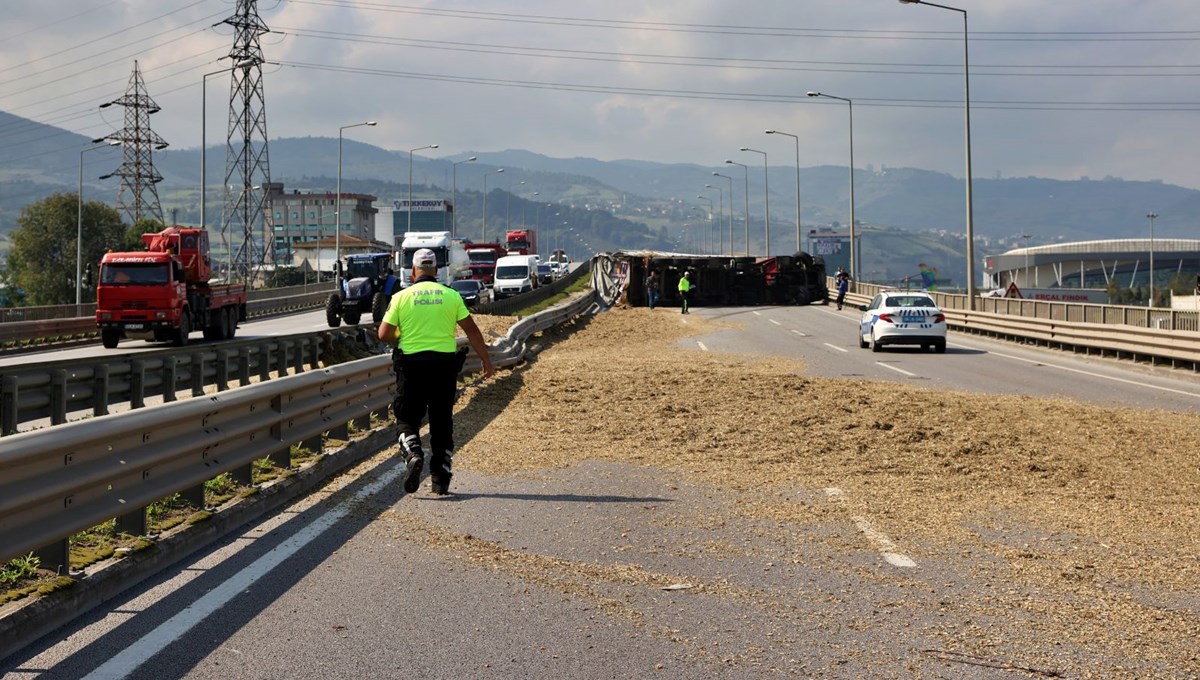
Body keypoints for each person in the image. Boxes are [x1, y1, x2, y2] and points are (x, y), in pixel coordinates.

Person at [378, 248, 495, 496]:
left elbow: (384, 334)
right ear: (437, 271)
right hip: (443, 368)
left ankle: (412, 452)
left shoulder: (402, 297)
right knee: (442, 423)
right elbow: (472, 331)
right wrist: (486, 359)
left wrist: (403, 335)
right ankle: (440, 479)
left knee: (407, 417)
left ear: (413, 271)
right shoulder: (451, 296)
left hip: (411, 367)